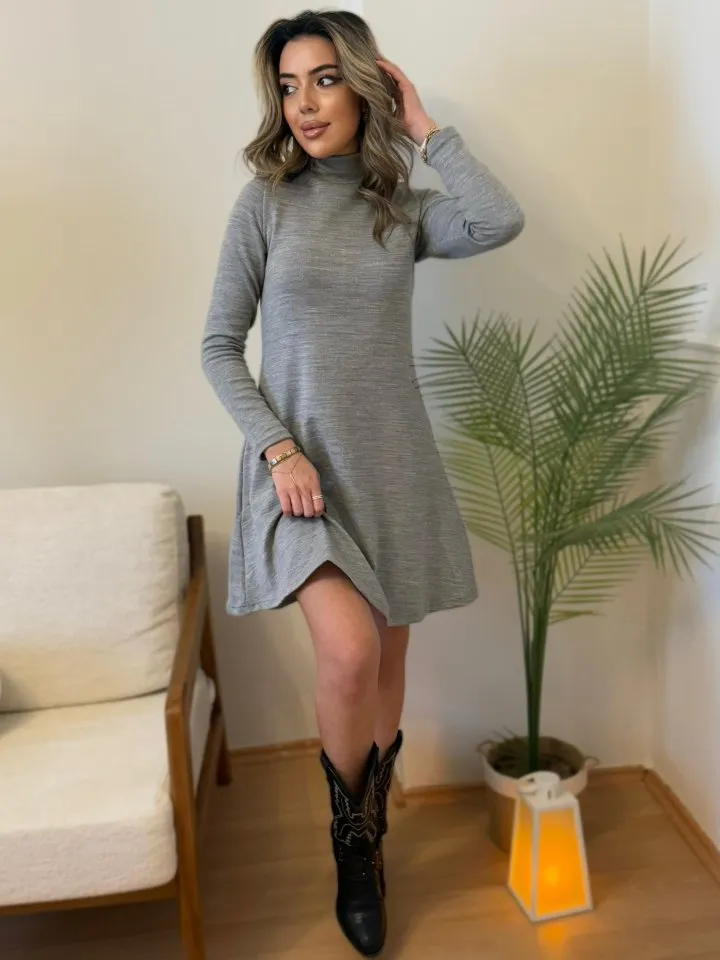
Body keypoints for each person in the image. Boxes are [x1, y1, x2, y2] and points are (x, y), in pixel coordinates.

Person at [201, 8, 524, 956]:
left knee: (384, 663)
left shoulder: (401, 209)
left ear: (364, 85)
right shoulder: (264, 205)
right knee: (348, 654)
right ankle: (352, 851)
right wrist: (279, 450)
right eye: (288, 86)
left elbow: (498, 218)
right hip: (298, 475)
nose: (304, 104)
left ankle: (372, 828)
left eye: (325, 79)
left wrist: (424, 125)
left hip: (394, 469)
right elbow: (218, 346)